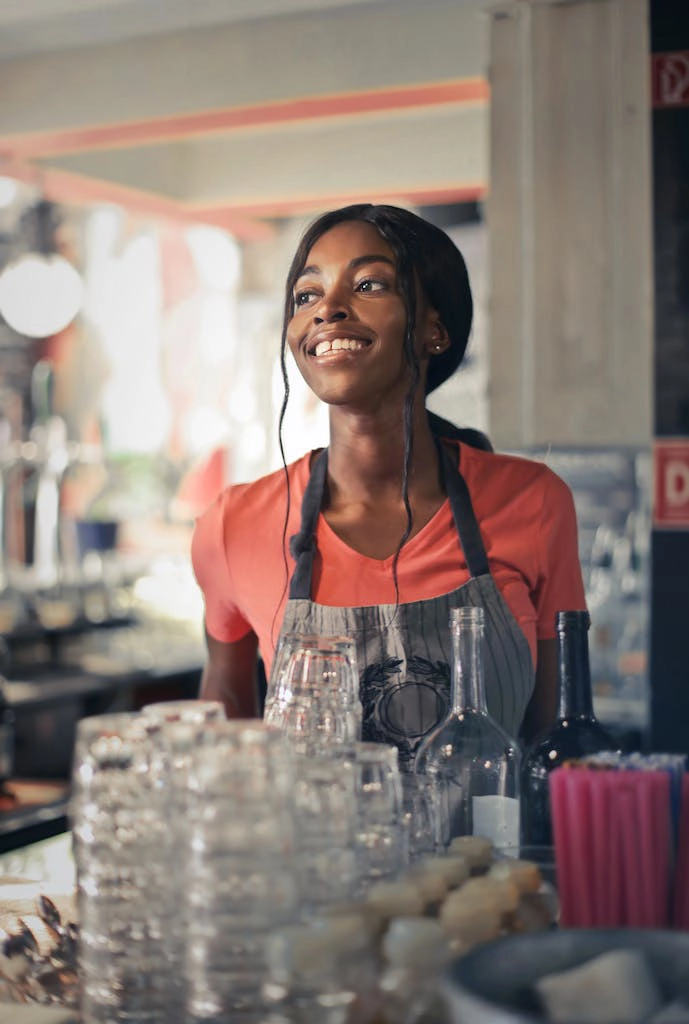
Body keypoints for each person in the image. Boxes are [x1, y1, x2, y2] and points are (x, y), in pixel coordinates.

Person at [191, 203, 587, 768]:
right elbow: (225, 732)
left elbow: (554, 742)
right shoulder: (232, 525)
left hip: (490, 858)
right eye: (306, 296)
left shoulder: (535, 503)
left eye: (369, 284)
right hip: (312, 857)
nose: (327, 309)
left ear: (435, 329)